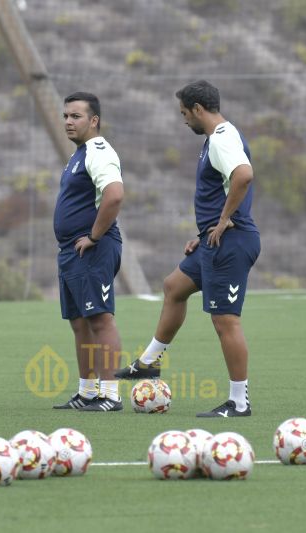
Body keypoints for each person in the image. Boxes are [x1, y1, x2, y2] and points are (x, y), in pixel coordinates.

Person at [114, 80, 260, 418]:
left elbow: (243, 175)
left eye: (184, 113)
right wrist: (205, 230)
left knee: (225, 322)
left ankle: (239, 402)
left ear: (198, 109)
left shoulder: (222, 140)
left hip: (231, 242)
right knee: (174, 287)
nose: (183, 120)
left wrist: (224, 221)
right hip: (212, 239)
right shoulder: (218, 138)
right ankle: (148, 363)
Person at [51, 92, 125, 412]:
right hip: (71, 250)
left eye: (76, 116)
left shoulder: (98, 150)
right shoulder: (79, 154)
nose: (68, 121)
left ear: (94, 120)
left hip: (92, 248)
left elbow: (114, 195)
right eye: (66, 115)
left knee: (100, 319)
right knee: (80, 322)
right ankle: (87, 392)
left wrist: (95, 235)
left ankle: (110, 394)